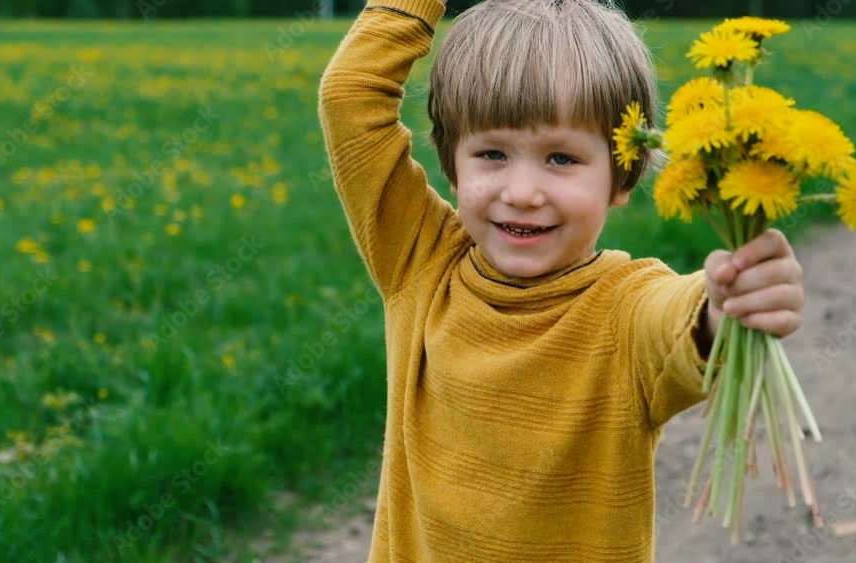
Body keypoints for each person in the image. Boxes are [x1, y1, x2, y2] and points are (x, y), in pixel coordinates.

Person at [317, 0, 805, 560]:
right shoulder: (419, 260)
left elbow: (678, 319)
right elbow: (348, 97)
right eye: (492, 153)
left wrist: (729, 303)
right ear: (453, 164)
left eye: (562, 159)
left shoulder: (624, 307)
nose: (522, 191)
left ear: (622, 175)